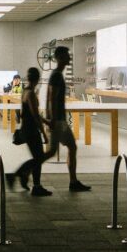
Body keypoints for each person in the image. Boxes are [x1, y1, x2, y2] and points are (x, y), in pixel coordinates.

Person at [44, 46, 91, 192]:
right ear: (59, 58)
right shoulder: (56, 75)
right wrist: (52, 119)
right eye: (66, 55)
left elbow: (48, 98)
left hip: (57, 120)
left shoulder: (56, 75)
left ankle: (73, 181)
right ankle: (24, 171)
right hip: (58, 121)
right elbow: (51, 98)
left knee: (59, 150)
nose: (69, 58)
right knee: (67, 148)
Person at [6, 67, 54, 196]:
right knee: (38, 158)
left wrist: (46, 122)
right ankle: (19, 176)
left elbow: (30, 113)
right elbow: (35, 115)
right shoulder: (31, 94)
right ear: (38, 79)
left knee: (37, 158)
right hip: (31, 130)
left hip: (27, 129)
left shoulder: (26, 92)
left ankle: (25, 178)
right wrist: (44, 132)